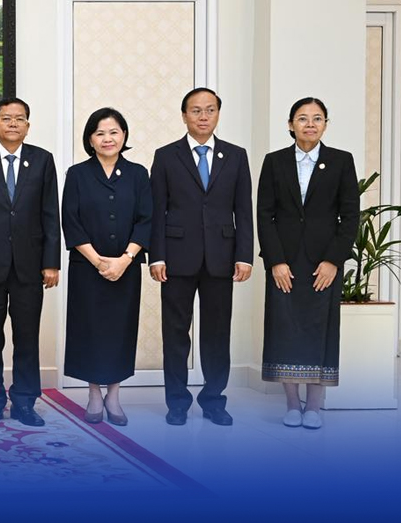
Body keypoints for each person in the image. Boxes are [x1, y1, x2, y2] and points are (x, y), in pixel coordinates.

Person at [149, 87, 253, 427]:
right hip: (176, 258)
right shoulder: (166, 156)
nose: (203, 116)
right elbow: (157, 210)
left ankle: (213, 401)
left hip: (222, 258)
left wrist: (245, 255)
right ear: (184, 116)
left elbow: (244, 210)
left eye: (210, 110)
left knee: (217, 334)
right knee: (175, 334)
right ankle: (177, 402)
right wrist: (156, 256)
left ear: (218, 114)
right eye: (196, 110)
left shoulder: (236, 156)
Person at [257, 97, 358, 430]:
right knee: (284, 328)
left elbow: (350, 216)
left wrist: (333, 260)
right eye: (302, 118)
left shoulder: (341, 161)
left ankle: (313, 406)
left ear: (326, 124)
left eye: (317, 118)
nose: (310, 124)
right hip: (284, 262)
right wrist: (275, 261)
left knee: (320, 329)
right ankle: (291, 404)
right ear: (291, 125)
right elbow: (265, 215)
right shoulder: (275, 162)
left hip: (323, 263)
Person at [0, 98, 60, 428]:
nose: (13, 123)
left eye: (20, 119)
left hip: (30, 265)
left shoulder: (42, 160)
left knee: (27, 337)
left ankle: (24, 402)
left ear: (28, 126)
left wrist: (51, 262)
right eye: (7, 118)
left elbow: (50, 214)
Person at [61, 107, 152, 427]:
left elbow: (146, 219)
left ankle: (113, 395)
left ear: (124, 135)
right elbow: (70, 221)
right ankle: (93, 394)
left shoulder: (138, 174)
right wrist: (98, 261)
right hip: (88, 268)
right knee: (90, 330)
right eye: (100, 133)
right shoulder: (77, 174)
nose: (107, 138)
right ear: (90, 139)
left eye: (114, 132)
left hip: (126, 268)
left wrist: (125, 259)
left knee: (119, 331)